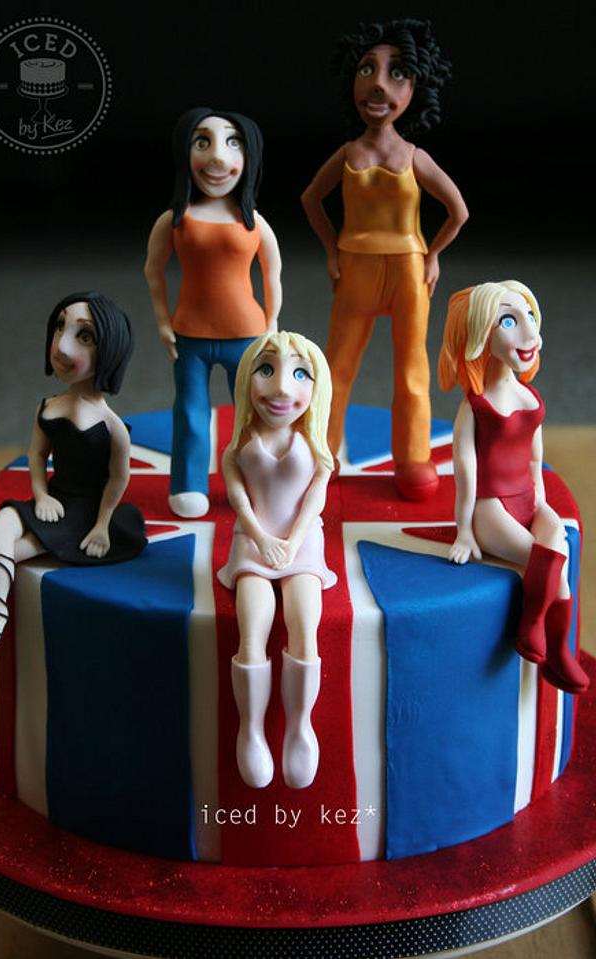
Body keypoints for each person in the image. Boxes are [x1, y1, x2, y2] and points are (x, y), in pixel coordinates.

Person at [301, 18, 468, 500]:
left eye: (396, 73)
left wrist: (432, 255)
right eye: (366, 70)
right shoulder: (347, 153)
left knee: (412, 367)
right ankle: (322, 452)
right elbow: (311, 200)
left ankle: (413, 458)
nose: (378, 85)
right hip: (355, 267)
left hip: (408, 270)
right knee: (337, 365)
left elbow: (458, 211)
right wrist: (331, 249)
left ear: (416, 87)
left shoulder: (415, 157)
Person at [0, 291, 146, 666]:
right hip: (54, 500)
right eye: (60, 327)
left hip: (83, 514)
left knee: (11, 552)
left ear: (109, 350)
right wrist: (40, 495)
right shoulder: (47, 407)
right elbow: (37, 456)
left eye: (84, 336)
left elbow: (118, 480)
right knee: (1, 526)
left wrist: (102, 525)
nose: (61, 346)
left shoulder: (112, 427)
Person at [438, 280, 589, 694]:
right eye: (508, 320)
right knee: (550, 560)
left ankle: (551, 644)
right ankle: (538, 632)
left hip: (528, 500)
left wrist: (541, 504)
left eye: (529, 317)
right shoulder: (475, 407)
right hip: (492, 508)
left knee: (557, 546)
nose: (529, 333)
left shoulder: (530, 396)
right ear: (480, 334)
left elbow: (535, 459)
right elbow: (465, 470)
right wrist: (465, 530)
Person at [144, 107, 282, 518]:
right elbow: (153, 270)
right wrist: (163, 321)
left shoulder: (254, 222)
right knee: (190, 412)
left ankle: (258, 481)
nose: (217, 157)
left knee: (255, 412)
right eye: (202, 142)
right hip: (189, 335)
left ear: (249, 155)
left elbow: (273, 274)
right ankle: (188, 483)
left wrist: (272, 324)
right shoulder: (175, 220)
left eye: (232, 142)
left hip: (247, 334)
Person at [218, 331, 336, 789]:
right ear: (246, 380)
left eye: (300, 373)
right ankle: (250, 730)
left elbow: (314, 503)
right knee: (253, 627)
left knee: (305, 626)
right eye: (266, 370)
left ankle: (299, 727)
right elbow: (239, 502)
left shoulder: (315, 447)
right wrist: (262, 539)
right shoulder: (237, 448)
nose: (282, 387)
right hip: (252, 543)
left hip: (301, 546)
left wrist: (292, 542)